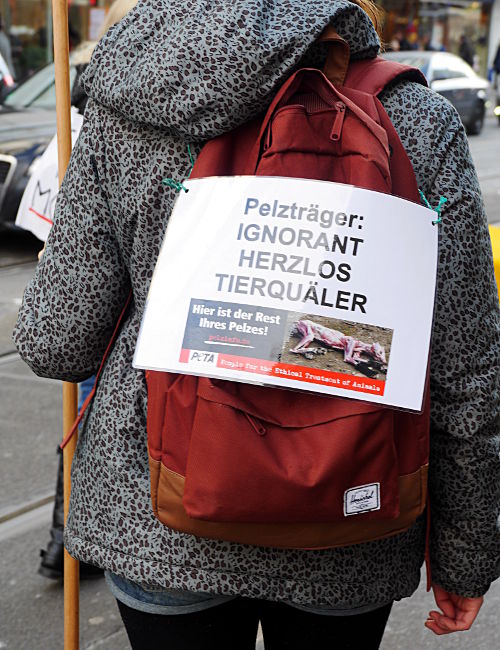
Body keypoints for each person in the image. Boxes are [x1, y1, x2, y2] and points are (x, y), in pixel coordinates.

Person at [14, 0, 500, 648]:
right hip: (351, 520)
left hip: (159, 516)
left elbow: (57, 342)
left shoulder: (129, 104)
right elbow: (469, 369)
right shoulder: (415, 118)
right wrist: (467, 552)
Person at [37, 0, 138, 581]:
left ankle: (66, 538)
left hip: (116, 331)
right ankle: (65, 538)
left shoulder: (105, 122)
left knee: (90, 408)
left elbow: (57, 337)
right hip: (344, 499)